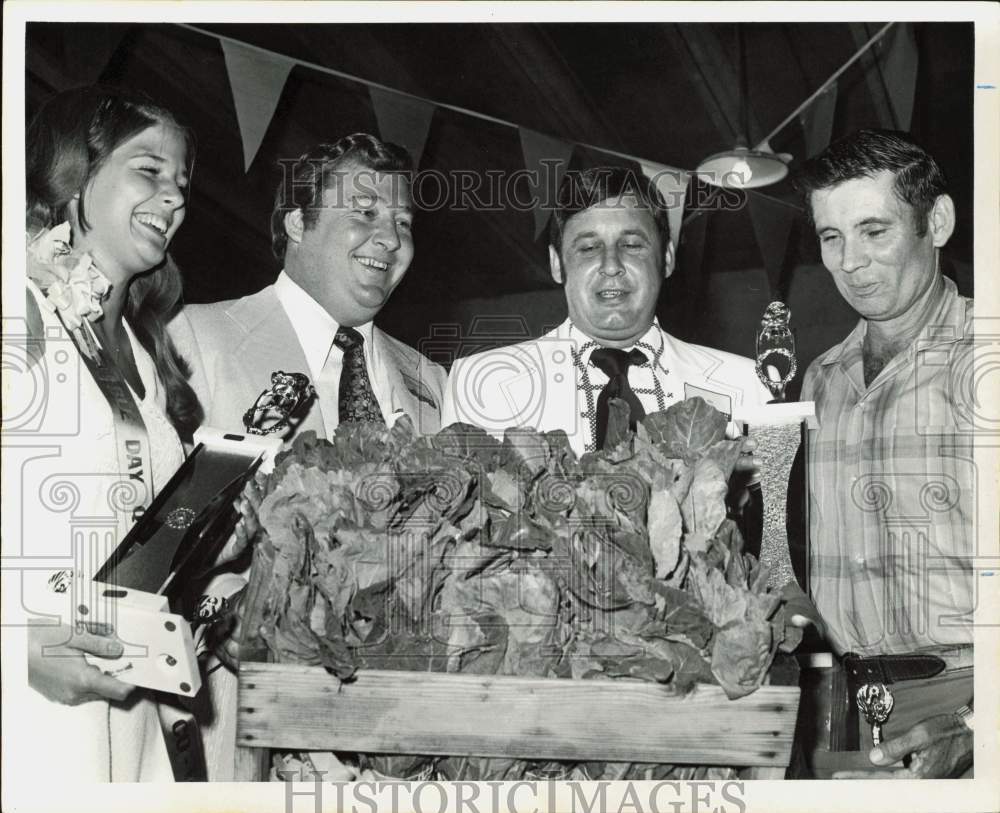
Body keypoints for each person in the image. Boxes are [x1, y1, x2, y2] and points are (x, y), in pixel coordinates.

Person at [9, 85, 206, 782]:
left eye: (181, 182)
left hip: (129, 717)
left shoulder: (144, 351)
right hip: (27, 719)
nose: (175, 197)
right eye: (149, 170)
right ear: (75, 172)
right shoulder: (17, 305)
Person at [797, 129, 974, 778]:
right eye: (831, 237)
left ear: (939, 222)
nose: (849, 262)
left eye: (874, 231)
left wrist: (975, 725)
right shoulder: (818, 380)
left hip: (968, 701)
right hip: (845, 711)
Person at [442, 166, 771, 453]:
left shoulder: (744, 385)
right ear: (557, 264)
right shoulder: (484, 384)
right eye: (588, 247)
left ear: (667, 258)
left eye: (631, 244)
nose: (611, 265)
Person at [169, 133, 447, 441]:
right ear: (299, 224)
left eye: (403, 223)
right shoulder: (193, 338)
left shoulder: (434, 381)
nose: (392, 239)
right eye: (366, 212)